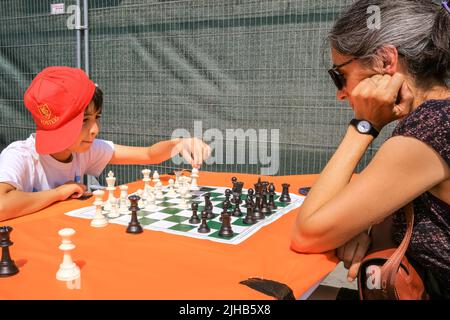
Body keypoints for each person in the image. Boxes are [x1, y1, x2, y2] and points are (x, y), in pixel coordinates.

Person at [291, 0, 449, 299]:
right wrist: (365, 229)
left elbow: (308, 234)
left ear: (385, 62)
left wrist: (364, 125)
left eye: (339, 75)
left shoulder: (431, 127)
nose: (340, 94)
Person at [0, 66, 211, 221]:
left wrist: (179, 143)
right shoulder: (20, 155)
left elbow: (148, 155)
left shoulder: (85, 149)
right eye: (84, 121)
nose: (95, 129)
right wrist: (58, 193)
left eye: (96, 118)